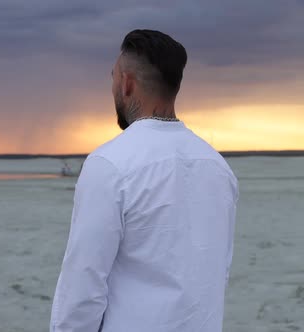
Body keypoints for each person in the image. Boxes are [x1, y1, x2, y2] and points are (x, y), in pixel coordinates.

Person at [50, 29, 239, 332]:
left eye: (113, 77)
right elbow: (218, 272)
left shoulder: (109, 164)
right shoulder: (217, 166)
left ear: (126, 83)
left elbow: (82, 286)